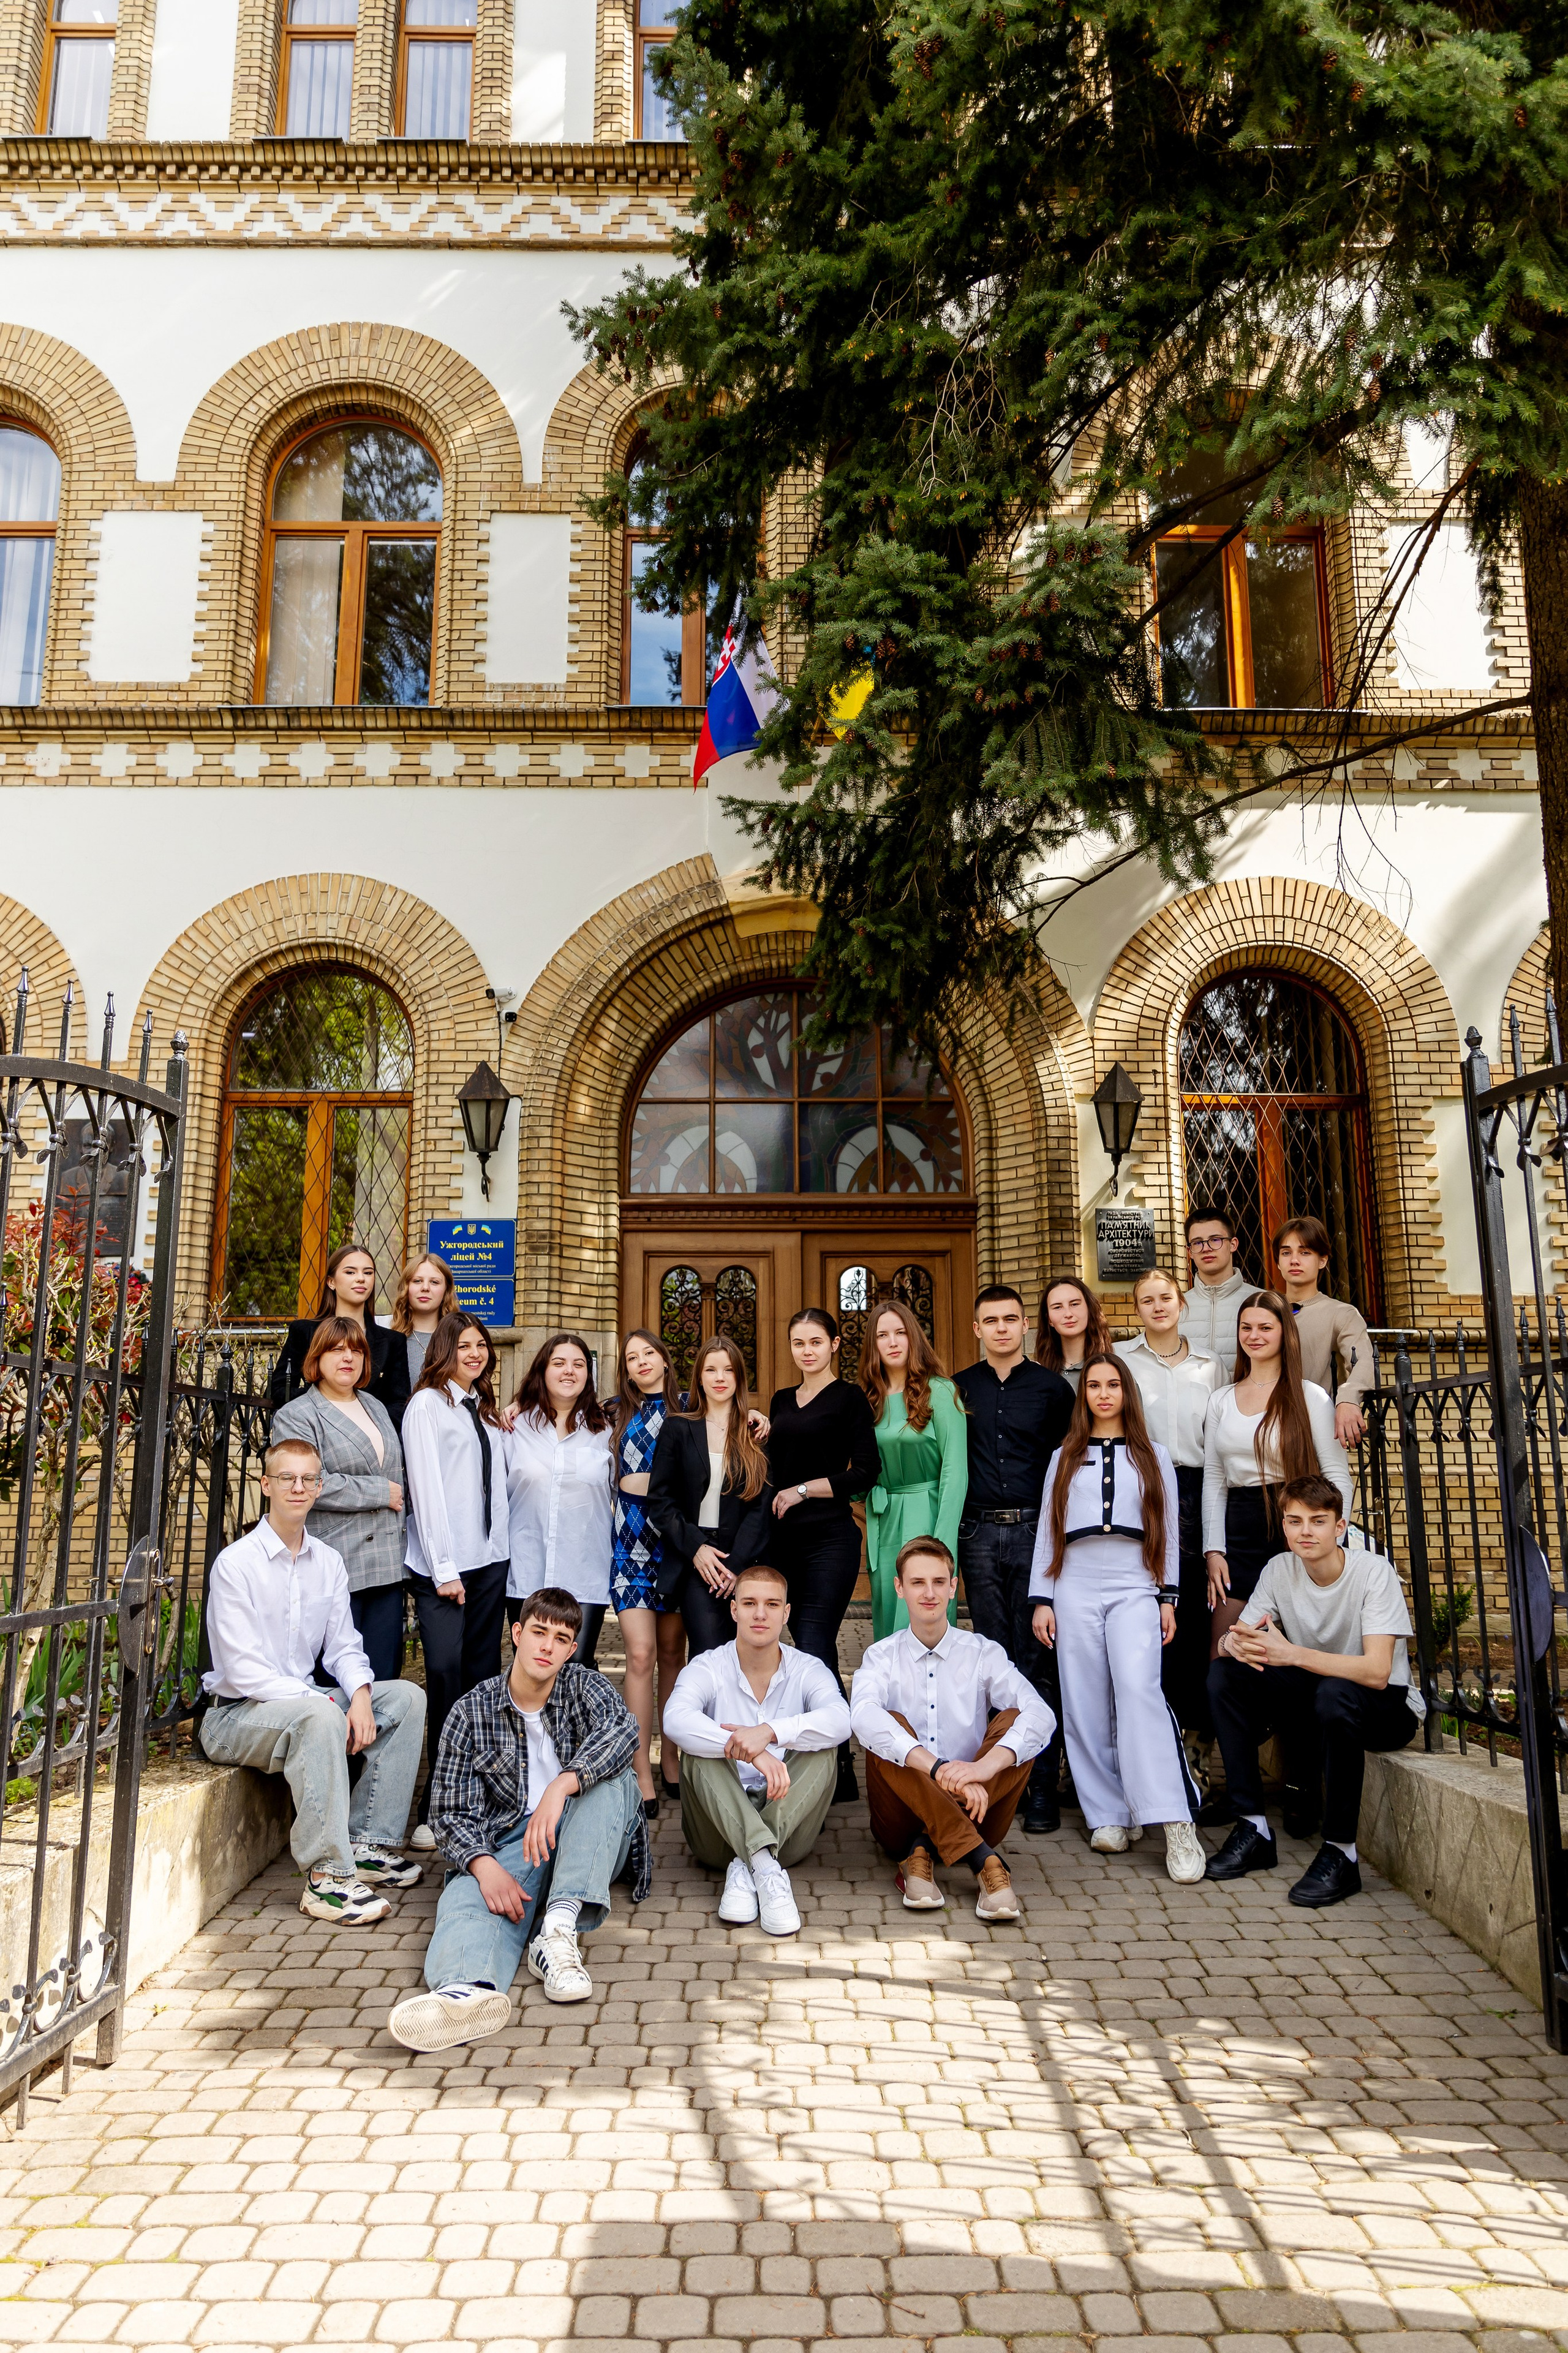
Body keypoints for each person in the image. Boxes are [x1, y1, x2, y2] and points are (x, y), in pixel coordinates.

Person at [386, 1585, 648, 2049]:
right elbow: (448, 1811)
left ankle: (558, 1929)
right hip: (512, 1843)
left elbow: (624, 1731)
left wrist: (563, 1784)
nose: (547, 1646)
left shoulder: (584, 1686)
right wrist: (484, 1866)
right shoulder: (472, 1710)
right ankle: (466, 1993)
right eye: (539, 1632)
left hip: (587, 1834)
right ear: (518, 1632)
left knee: (611, 1780)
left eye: (561, 1638)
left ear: (571, 1650)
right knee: (469, 1898)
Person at [199, 1434, 426, 1925]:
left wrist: (361, 1696)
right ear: (266, 1485)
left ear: (319, 1487)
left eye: (308, 1479)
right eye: (287, 1478)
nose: (298, 1487)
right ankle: (326, 1879)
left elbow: (344, 1646)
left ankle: (366, 1843)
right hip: (235, 1714)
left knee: (406, 1699)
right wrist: (324, 1701)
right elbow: (243, 1672)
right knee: (321, 1713)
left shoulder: (327, 1561)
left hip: (300, 1706)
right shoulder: (236, 1564)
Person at [1204, 1473, 1423, 1905]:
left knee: (1334, 1693)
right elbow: (1239, 1638)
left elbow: (1378, 1671)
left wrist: (1291, 1655)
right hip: (1320, 1697)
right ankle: (1252, 1826)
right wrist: (1231, 1642)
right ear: (1284, 1526)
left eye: (1318, 1521)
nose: (1305, 1531)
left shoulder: (1373, 1572)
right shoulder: (1279, 1569)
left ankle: (1342, 1853)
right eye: (1295, 1521)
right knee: (1224, 1677)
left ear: (1339, 1527)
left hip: (1384, 1708)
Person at [1030, 1355, 1206, 1882]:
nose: (1103, 1394)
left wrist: (1167, 1597)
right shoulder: (1064, 1456)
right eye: (1093, 1386)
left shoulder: (1155, 1456)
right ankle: (1108, 1813)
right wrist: (1044, 1597)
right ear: (1083, 1395)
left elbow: (1170, 1532)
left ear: (1127, 1391)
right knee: (1083, 1700)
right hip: (1075, 1583)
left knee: (1138, 1691)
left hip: (1135, 1584)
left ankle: (1175, 1818)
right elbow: (1047, 1529)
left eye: (1113, 1385)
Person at [851, 1536, 1054, 1920]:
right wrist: (936, 1768)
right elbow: (860, 1716)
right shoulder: (881, 1656)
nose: (929, 1593)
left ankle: (922, 1851)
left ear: (953, 1586)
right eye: (917, 1583)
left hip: (979, 1806)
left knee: (1017, 1723)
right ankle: (983, 1861)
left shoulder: (983, 1652)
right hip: (899, 1817)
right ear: (899, 1588)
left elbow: (1041, 1714)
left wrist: (981, 1770)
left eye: (939, 1582)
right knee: (886, 1728)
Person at [661, 1560, 851, 1936]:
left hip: (788, 1827)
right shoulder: (708, 1666)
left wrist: (769, 1732)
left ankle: (751, 1862)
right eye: (749, 1604)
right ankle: (764, 1866)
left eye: (772, 1605)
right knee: (700, 1749)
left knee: (823, 1746)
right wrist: (747, 1749)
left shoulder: (808, 1668)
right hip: (715, 1836)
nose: (760, 1614)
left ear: (786, 1613)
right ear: (734, 1610)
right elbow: (675, 1719)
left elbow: (842, 1721)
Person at [952, 1285, 1074, 1834]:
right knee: (993, 1660)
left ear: (1025, 1325)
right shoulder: (959, 1389)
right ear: (976, 1328)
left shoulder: (1051, 1389)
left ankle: (1041, 1786)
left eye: (1010, 1319)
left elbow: (1068, 1467)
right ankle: (998, 1782)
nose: (1001, 1328)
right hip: (977, 1533)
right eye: (990, 1320)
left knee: (1036, 1658)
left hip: (1033, 1531)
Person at [401, 1310, 511, 1845]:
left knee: (484, 1679)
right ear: (444, 1349)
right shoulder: (427, 1406)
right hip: (445, 1569)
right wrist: (444, 1568)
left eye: (481, 1345)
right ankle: (435, 1805)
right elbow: (426, 1489)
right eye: (464, 1345)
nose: (475, 1353)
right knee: (445, 1676)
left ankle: (479, 1797)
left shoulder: (485, 1411)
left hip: (490, 1562)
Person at [764, 1308, 881, 1805]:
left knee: (814, 1640)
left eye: (816, 1341)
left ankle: (838, 1759)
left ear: (835, 1344)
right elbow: (771, 1467)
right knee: (810, 1646)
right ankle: (831, 1759)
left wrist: (804, 1490)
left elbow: (865, 1472)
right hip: (783, 1540)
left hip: (831, 1538)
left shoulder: (850, 1398)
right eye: (798, 1342)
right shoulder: (781, 1401)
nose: (806, 1350)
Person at [270, 1317, 409, 1685]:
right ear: (317, 1357)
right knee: (337, 1686)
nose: (348, 1357)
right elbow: (309, 1482)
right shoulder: (296, 1415)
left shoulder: (376, 1407)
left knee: (383, 1683)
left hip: (388, 1565)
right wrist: (381, 1492)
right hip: (339, 1563)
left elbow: (397, 1471)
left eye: (356, 1351)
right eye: (336, 1349)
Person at [1116, 1267, 1222, 1745]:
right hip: (1144, 1487)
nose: (1157, 1307)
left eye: (1165, 1298)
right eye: (1146, 1300)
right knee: (1148, 1604)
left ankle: (1192, 1740)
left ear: (1182, 1305)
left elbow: (1218, 1439)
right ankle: (1151, 1733)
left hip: (1200, 1487)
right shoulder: (1121, 1360)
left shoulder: (1211, 1363)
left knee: (1195, 1608)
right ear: (1136, 1309)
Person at [1203, 1289, 1354, 1607]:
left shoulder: (1310, 1397)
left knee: (1295, 1646)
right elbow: (1215, 1480)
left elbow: (1337, 1474)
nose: (1254, 1336)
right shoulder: (1221, 1399)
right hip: (1238, 1532)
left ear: (1285, 1332)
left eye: (1265, 1327)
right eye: (1246, 1327)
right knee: (1229, 1646)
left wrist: (1331, 1541)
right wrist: (1214, 1550)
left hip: (1295, 1527)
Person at [647, 1335, 774, 1663]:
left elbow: (761, 1509)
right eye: (711, 1370)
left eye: (728, 1370)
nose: (720, 1378)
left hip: (743, 1562)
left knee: (747, 1659)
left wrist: (736, 1566)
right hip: (697, 1561)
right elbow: (660, 1501)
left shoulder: (755, 1432)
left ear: (739, 1378)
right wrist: (697, 1549)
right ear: (699, 1378)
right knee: (708, 1655)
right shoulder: (677, 1428)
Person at [609, 1328, 690, 1810]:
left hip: (675, 1546)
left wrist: (759, 1417)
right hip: (630, 1547)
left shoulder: (690, 1404)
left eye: (648, 1354)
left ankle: (674, 1758)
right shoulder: (611, 1411)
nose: (640, 1362)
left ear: (664, 1358)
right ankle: (640, 1769)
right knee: (639, 1655)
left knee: (672, 1654)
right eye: (631, 1357)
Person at [859, 1299, 968, 1641]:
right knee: (888, 1610)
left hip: (928, 1511)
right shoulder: (868, 1400)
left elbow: (955, 1471)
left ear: (914, 1338)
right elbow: (858, 1470)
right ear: (873, 1345)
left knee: (924, 1610)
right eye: (882, 1335)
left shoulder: (940, 1390)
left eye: (900, 1333)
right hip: (884, 1519)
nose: (892, 1342)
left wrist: (943, 1543)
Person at [506, 1332, 614, 1670]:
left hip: (585, 1571)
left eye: (578, 1364)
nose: (569, 1371)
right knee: (531, 1668)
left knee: (578, 1666)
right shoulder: (511, 1427)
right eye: (559, 1363)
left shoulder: (607, 1431)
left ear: (588, 1374)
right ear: (543, 1370)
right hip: (526, 1570)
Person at [268, 1242, 409, 1426]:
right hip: (316, 1432)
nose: (361, 1279)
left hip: (372, 1438)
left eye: (368, 1272)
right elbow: (278, 1390)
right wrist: (329, 1403)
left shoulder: (393, 1341)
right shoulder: (304, 1331)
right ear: (331, 1282)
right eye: (351, 1272)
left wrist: (365, 1420)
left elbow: (400, 1404)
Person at [1274, 1216, 1374, 1449]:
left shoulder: (1341, 1313)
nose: (1295, 1260)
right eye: (1286, 1253)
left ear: (1323, 1260)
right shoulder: (1264, 1310)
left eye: (1305, 1252)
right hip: (1262, 1425)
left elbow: (1364, 1361)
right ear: (1278, 1262)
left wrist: (1348, 1398)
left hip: (1313, 1431)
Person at [382, 1253, 456, 1433]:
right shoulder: (386, 1338)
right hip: (397, 1437)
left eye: (434, 1282)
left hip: (448, 1439)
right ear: (406, 1288)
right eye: (417, 1281)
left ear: (446, 1291)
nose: (425, 1288)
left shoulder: (459, 1340)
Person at [1178, 1206, 1256, 1369]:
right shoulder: (1177, 1307)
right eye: (1197, 1243)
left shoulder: (1260, 1302)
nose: (1206, 1248)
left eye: (1215, 1240)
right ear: (1190, 1252)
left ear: (1233, 1244)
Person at [1036, 1275, 1115, 1391]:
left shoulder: (1115, 1367)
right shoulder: (1038, 1373)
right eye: (1058, 1307)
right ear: (1049, 1320)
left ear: (1089, 1308)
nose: (1068, 1314)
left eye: (1075, 1304)